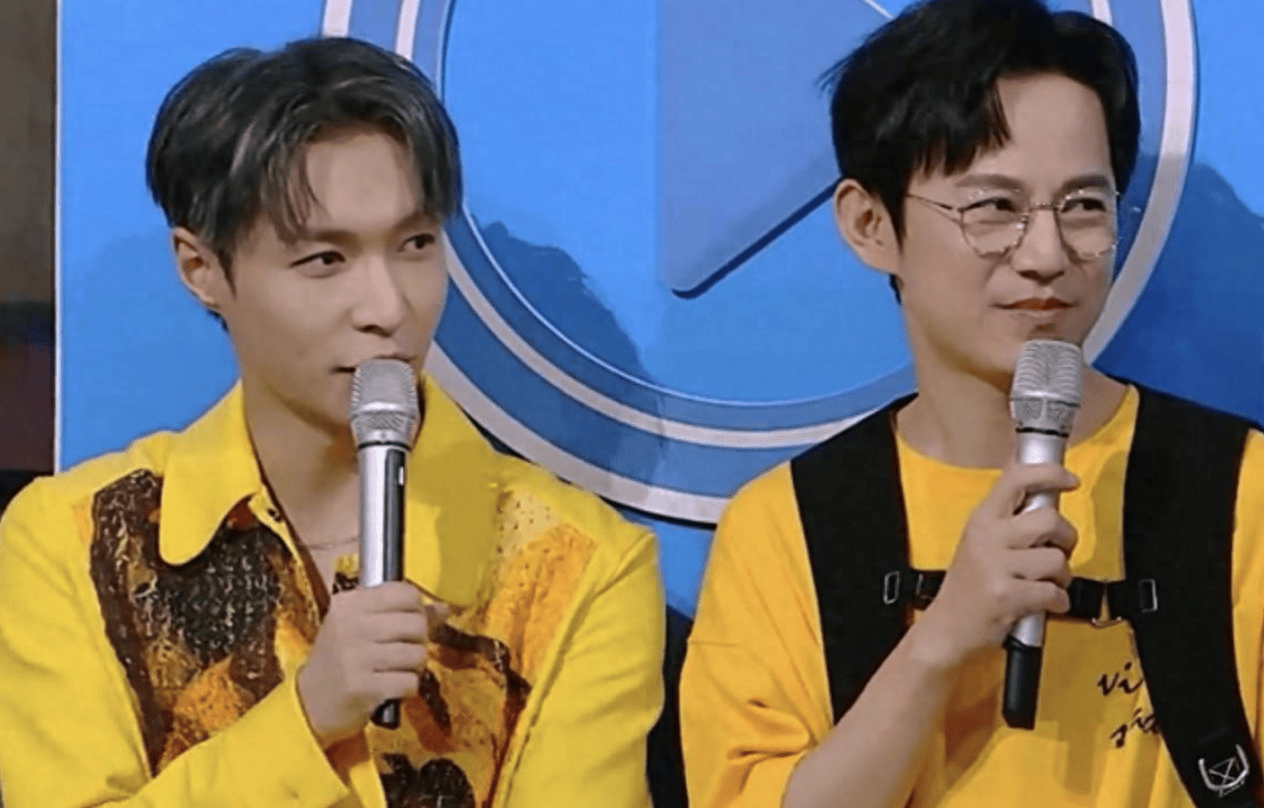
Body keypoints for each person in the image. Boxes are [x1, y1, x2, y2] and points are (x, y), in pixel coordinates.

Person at [0, 36, 664, 808]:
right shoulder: (72, 542)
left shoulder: (578, 565)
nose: (387, 307)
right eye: (325, 260)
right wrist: (305, 721)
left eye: (415, 245)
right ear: (201, 269)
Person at [679, 1, 1264, 806]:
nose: (1047, 254)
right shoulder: (787, 528)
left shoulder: (1240, 491)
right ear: (869, 224)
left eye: (1084, 206)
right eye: (994, 208)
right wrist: (941, 642)